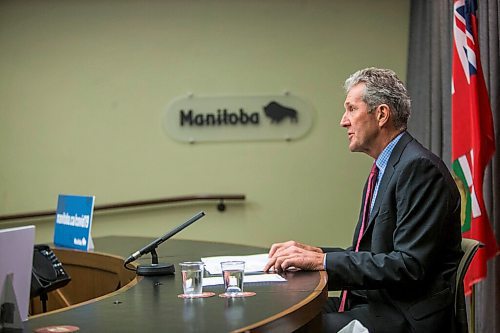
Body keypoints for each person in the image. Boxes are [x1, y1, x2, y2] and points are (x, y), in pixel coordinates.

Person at [264, 68, 463, 333]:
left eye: (351, 109)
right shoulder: (390, 166)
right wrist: (316, 254)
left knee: (289, 329)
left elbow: (408, 266)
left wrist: (321, 263)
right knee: (279, 316)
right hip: (374, 302)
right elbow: (373, 254)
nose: (343, 121)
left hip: (402, 316)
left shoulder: (419, 169)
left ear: (381, 115)